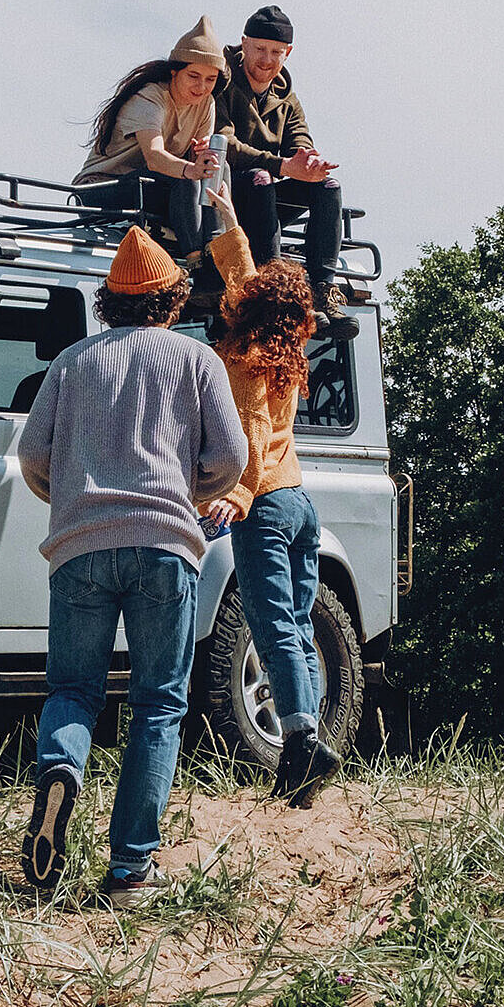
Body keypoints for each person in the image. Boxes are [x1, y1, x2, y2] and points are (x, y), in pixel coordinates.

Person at [17, 225, 247, 903]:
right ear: (171, 300)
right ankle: (129, 870)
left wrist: (71, 497)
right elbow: (232, 457)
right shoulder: (195, 358)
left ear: (108, 302)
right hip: (165, 546)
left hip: (79, 547)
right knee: (157, 703)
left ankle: (61, 770)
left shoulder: (72, 362)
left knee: (72, 689)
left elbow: (32, 455)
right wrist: (189, 491)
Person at [202, 179, 343, 807]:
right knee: (299, 625)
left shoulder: (245, 357)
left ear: (253, 305)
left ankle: (302, 739)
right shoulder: (288, 346)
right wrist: (227, 212)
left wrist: (237, 492)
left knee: (273, 625)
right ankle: (307, 750)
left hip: (263, 505)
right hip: (300, 503)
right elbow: (242, 274)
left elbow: (253, 431)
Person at [210, 5, 352, 333]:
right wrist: (282, 165)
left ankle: (322, 292)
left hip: (266, 201)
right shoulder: (220, 81)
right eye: (260, 49)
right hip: (227, 193)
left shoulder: (287, 96)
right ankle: (274, 289)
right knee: (261, 179)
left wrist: (311, 164)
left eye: (276, 52)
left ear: (288, 52)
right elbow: (224, 144)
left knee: (327, 186)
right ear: (244, 44)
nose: (267, 59)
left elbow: (299, 143)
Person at [73, 16, 228, 279]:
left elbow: (200, 168)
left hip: (156, 186)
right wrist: (192, 168)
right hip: (102, 188)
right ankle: (196, 265)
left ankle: (217, 251)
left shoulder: (207, 104)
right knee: (187, 179)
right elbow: (155, 158)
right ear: (174, 72)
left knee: (219, 167)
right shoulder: (150, 96)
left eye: (210, 79)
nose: (201, 87)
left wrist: (202, 157)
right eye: (193, 76)